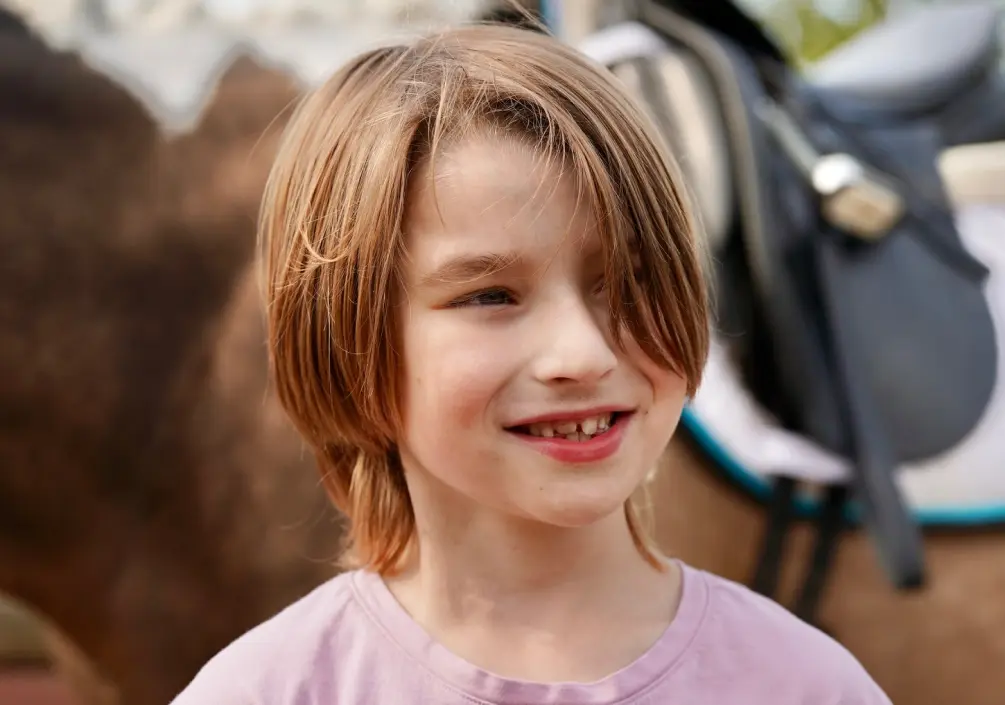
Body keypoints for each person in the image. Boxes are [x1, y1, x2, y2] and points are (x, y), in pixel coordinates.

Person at [170, 20, 892, 705]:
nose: (582, 353)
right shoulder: (267, 691)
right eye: (490, 295)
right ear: (346, 338)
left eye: (629, 281)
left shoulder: (806, 685)